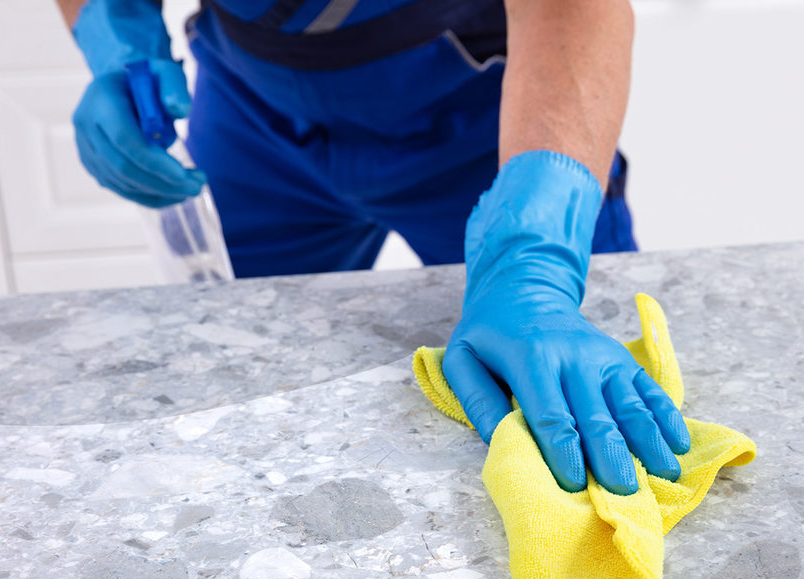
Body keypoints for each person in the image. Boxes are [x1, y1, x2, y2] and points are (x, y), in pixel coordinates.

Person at [59, 0, 691, 497]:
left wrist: (534, 261)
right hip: (253, 109)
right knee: (235, 396)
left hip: (488, 113)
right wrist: (116, 39)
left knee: (583, 403)